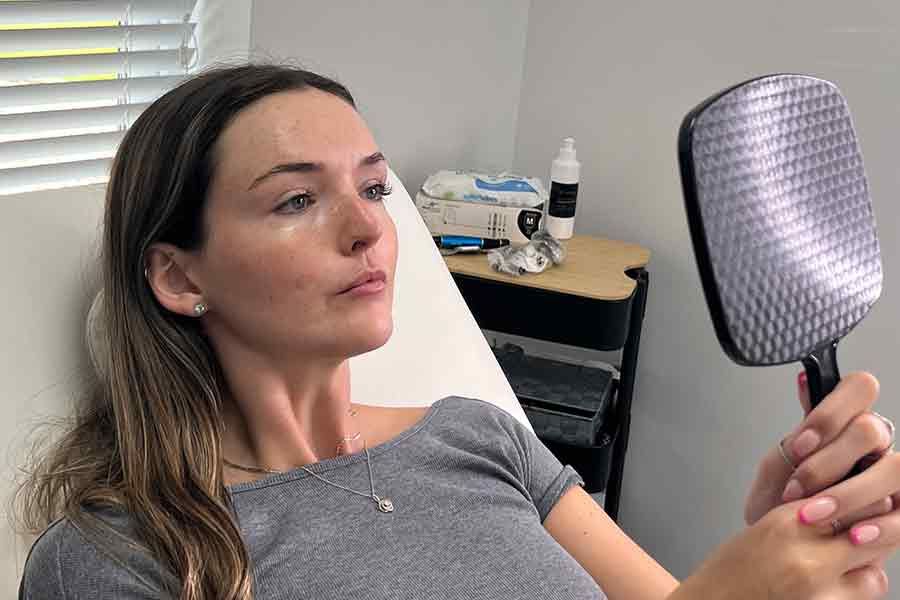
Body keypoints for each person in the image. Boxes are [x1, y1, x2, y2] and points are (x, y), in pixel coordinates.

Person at [12, 63, 900, 600]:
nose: (367, 228)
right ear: (181, 277)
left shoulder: (476, 435)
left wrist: (790, 553)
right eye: (296, 199)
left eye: (374, 188)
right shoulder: (119, 557)